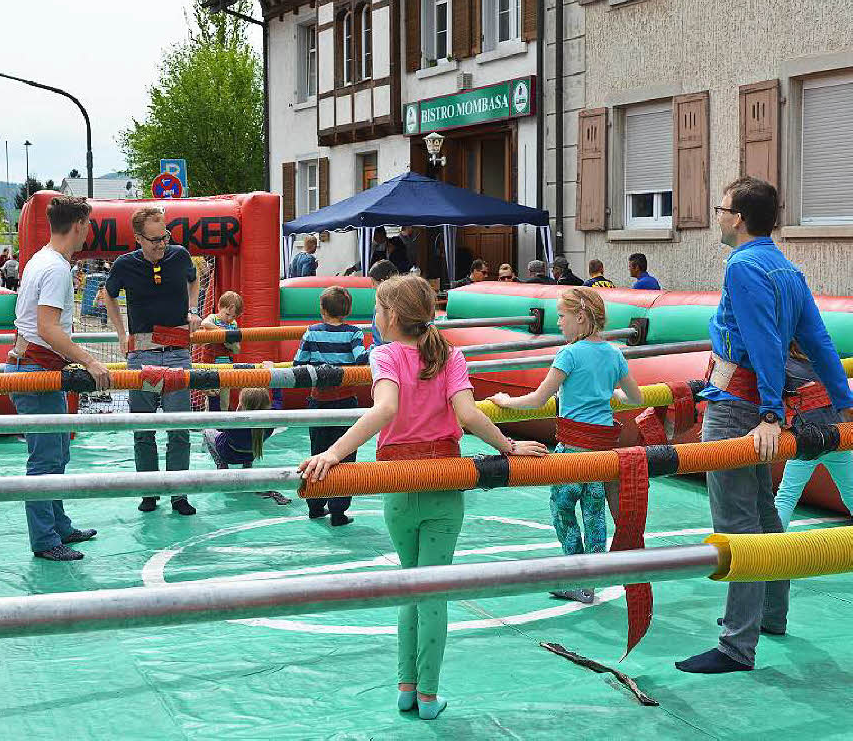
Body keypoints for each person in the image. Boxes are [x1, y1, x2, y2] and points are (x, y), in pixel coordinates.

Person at [300, 275, 548, 720]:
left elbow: (386, 408)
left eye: (376, 310)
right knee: (433, 590)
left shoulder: (385, 354)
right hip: (445, 479)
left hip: (399, 480)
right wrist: (509, 448)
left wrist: (335, 452)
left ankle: (406, 688)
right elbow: (469, 414)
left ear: (392, 317)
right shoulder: (449, 355)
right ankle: (429, 695)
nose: (373, 318)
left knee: (409, 584)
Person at [675, 176, 853, 674]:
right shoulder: (788, 269)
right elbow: (816, 339)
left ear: (737, 217)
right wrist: (842, 401)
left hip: (737, 406)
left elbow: (764, 342)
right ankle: (769, 615)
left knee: (735, 520)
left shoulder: (743, 267)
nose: (717, 216)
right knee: (762, 512)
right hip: (750, 402)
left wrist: (773, 412)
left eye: (721, 208)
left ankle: (736, 644)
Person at [490, 288, 642, 602]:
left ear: (581, 317)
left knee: (561, 510)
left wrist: (505, 400)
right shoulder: (615, 354)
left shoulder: (569, 354)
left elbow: (538, 399)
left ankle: (574, 573)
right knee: (594, 513)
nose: (558, 323)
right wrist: (610, 394)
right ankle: (590, 580)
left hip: (573, 451)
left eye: (562, 316)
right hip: (602, 452)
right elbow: (637, 399)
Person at [7, 196, 110, 561]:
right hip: (36, 371)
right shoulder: (54, 269)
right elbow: (48, 329)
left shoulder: (43, 259)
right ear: (80, 224)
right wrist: (90, 361)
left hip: (40, 368)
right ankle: (46, 539)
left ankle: (58, 526)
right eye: (88, 226)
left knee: (57, 453)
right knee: (45, 460)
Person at [101, 206, 199, 516]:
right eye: (154, 240)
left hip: (178, 352)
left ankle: (178, 493)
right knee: (143, 427)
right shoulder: (124, 265)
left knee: (179, 427)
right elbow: (109, 294)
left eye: (165, 237)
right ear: (138, 238)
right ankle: (149, 491)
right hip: (141, 353)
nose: (161, 245)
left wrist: (193, 310)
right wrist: (120, 332)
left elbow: (194, 280)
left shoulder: (180, 255)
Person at [293, 286, 369, 526]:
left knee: (318, 451)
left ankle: (315, 506)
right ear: (346, 311)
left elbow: (298, 363)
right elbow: (360, 360)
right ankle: (338, 511)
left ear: (322, 310)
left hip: (318, 401)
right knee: (345, 454)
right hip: (345, 401)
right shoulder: (354, 333)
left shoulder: (311, 332)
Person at [773, 343, 853, 529]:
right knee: (851, 493)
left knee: (787, 496)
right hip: (836, 437)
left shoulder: (783, 364)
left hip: (807, 440)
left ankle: (772, 540)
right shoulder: (823, 361)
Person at [201, 385, 291, 505]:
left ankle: (221, 464)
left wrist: (213, 398)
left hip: (228, 454)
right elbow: (278, 401)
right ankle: (247, 466)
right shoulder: (270, 422)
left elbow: (216, 420)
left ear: (241, 405)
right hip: (250, 455)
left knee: (207, 431)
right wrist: (275, 380)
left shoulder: (233, 424)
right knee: (248, 441)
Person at [201, 290, 244, 412]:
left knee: (225, 396)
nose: (230, 319)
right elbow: (205, 323)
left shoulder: (233, 324)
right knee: (211, 394)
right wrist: (222, 333)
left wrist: (230, 343)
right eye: (227, 314)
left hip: (226, 364)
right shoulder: (213, 318)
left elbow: (236, 350)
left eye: (234, 316)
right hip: (211, 363)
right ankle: (208, 423)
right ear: (219, 307)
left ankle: (223, 423)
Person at [368, 259, 399, 348]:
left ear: (381, 282)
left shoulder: (381, 305)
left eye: (373, 282)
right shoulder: (404, 300)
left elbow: (380, 339)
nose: (372, 286)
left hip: (383, 350)